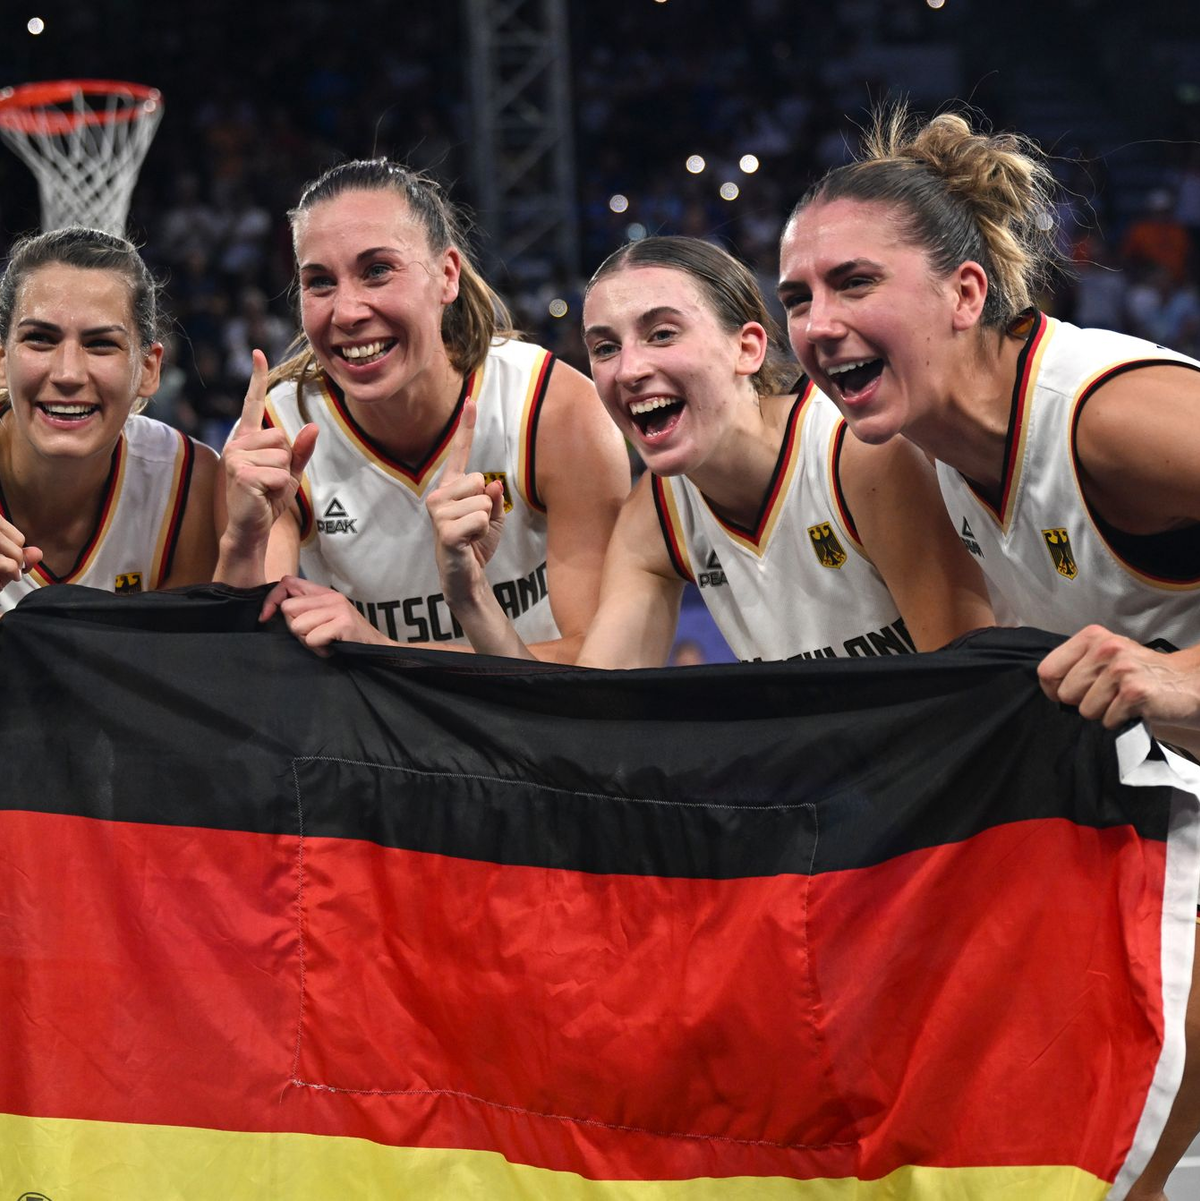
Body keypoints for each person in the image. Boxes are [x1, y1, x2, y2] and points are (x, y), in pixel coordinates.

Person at [778, 106, 1200, 1201]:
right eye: (797, 297)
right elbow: (978, 692)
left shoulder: (1109, 419)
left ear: (967, 294)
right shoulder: (904, 456)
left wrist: (1181, 676)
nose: (819, 323)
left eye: (854, 283)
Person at [428, 236, 993, 667]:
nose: (629, 369)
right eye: (604, 347)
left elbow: (965, 690)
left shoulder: (859, 456)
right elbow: (594, 715)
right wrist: (471, 597)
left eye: (662, 334)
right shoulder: (656, 515)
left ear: (747, 348)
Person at [215, 159, 629, 662]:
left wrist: (385, 652)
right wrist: (242, 541)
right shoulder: (276, 432)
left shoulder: (552, 409)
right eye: (320, 282)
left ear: (447, 275)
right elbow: (248, 666)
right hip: (367, 714)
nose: (347, 312)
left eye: (377, 271)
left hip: (530, 709)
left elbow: (598, 664)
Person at [0, 227, 218, 611]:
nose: (68, 374)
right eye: (40, 339)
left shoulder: (188, 481)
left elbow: (179, 649)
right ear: (3, 360)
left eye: (100, 344)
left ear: (148, 369)